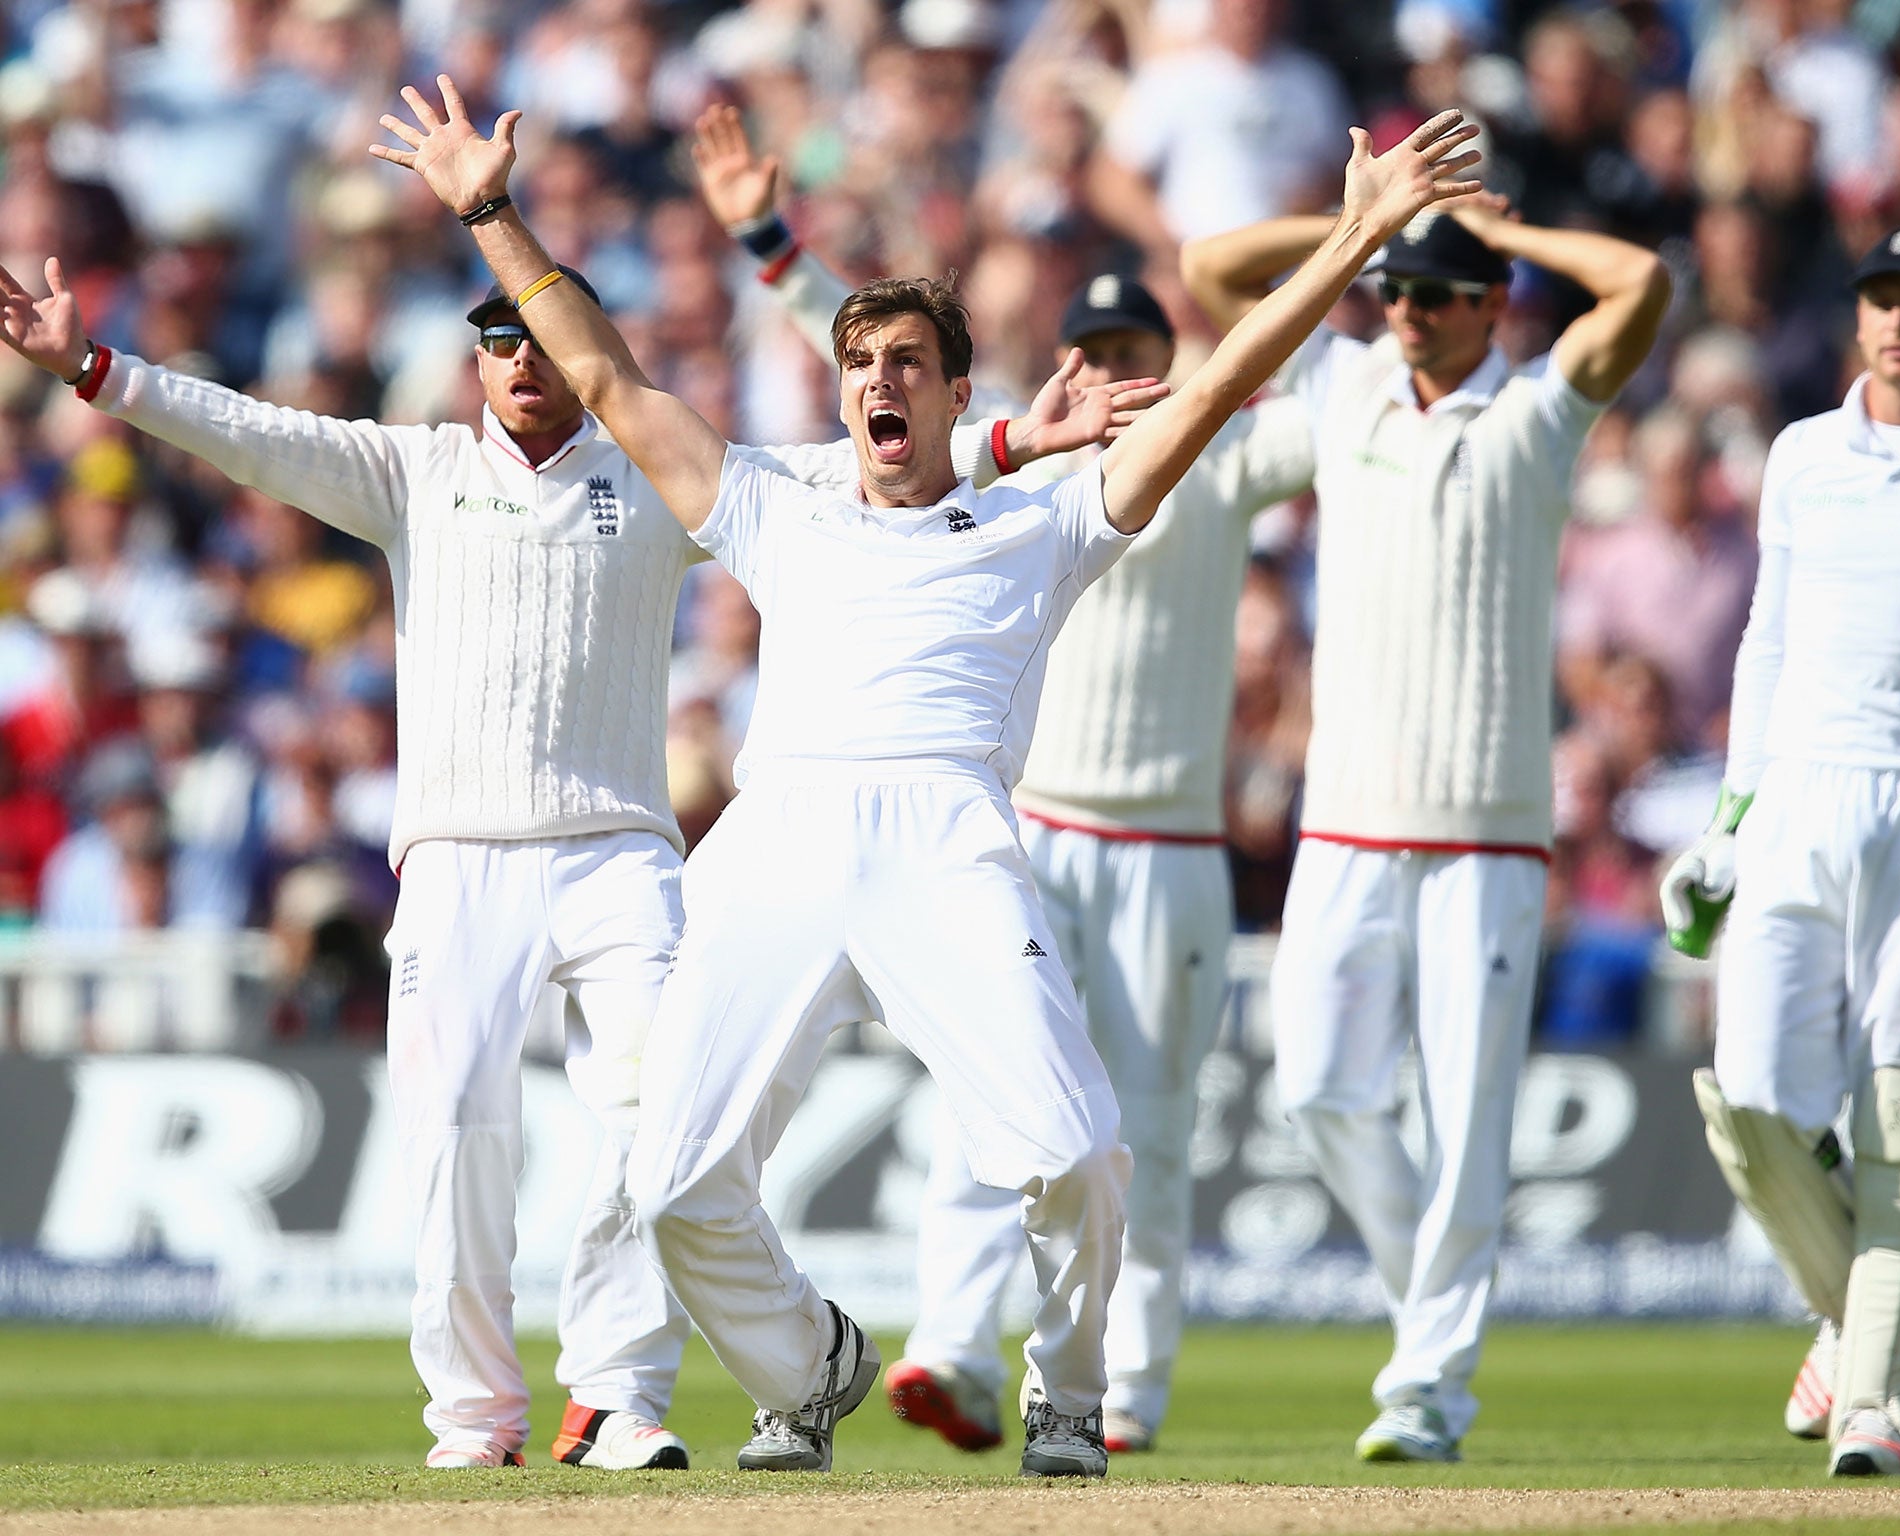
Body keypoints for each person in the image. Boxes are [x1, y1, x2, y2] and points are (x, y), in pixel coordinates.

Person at [374, 73, 1480, 1479]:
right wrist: (489, 211)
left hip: (949, 843)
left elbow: (1209, 390)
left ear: (962, 393)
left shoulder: (1044, 520)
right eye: (859, 365)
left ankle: (1068, 1395)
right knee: (671, 1181)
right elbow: (601, 377)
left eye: (908, 363)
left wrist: (1351, 235)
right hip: (776, 842)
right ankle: (811, 1370)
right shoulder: (776, 506)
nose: (879, 383)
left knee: (1079, 1155)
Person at [0, 245, 1117, 1471]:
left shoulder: (644, 473)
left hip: (622, 854)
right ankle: (476, 1423)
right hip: (456, 856)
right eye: (493, 340)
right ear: (473, 361)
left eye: (535, 335)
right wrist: (97, 371)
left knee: (653, 1128)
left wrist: (1007, 443)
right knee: (453, 1141)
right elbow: (254, 433)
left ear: (579, 350)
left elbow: (843, 478)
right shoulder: (413, 469)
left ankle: (618, 1400)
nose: (517, 357)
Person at [688, 100, 1317, 1456]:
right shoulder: (894, 477)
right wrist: (760, 233)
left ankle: (1097, 1388)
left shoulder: (1118, 491)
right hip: (917, 822)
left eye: (1128, 351)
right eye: (1084, 352)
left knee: (1107, 1136)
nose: (1103, 371)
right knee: (709, 1172)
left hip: (1067, 833)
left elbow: (1221, 385)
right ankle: (878, 1361)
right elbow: (852, 370)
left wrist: (1358, 239)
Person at [1183, 196, 1668, 1462]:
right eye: (1391, 291)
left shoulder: (1535, 410)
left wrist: (1512, 232)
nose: (1399, 308)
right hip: (1342, 820)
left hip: (1485, 833)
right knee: (1320, 1088)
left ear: (1487, 304)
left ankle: (1428, 1386)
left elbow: (1640, 286)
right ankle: (1428, 1315)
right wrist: (1364, 222)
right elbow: (1207, 262)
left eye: (1429, 291)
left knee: (1465, 1111)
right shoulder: (1343, 385)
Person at [1662, 228, 1900, 1478]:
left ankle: (1874, 1406)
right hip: (1799, 801)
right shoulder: (1799, 455)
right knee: (1751, 1102)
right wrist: (1726, 820)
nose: (1899, 322)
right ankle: (1874, 1323)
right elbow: (1765, 641)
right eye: (1881, 300)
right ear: (1858, 318)